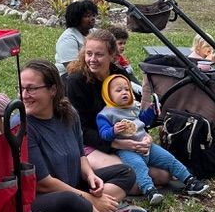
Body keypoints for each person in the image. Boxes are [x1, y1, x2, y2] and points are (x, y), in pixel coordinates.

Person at [22, 60, 149, 212]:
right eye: (21, 88)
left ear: (53, 90)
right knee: (70, 201)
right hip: (45, 200)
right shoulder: (25, 127)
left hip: (75, 186)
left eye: (31, 89)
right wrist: (90, 198)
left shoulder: (68, 113)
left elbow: (80, 152)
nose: (24, 95)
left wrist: (90, 175)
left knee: (126, 172)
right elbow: (43, 184)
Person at [66, 29, 171, 194]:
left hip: (121, 138)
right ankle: (86, 178)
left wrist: (144, 135)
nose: (92, 59)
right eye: (89, 53)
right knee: (135, 182)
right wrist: (118, 143)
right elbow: (80, 130)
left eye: (99, 55)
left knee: (164, 175)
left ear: (112, 55)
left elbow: (131, 113)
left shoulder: (119, 75)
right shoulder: (75, 82)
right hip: (88, 143)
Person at [96, 74, 209, 206]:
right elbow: (103, 134)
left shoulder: (132, 107)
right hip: (128, 151)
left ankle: (190, 181)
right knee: (139, 167)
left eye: (127, 89)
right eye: (118, 90)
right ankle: (150, 190)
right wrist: (114, 130)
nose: (124, 92)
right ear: (108, 94)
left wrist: (151, 110)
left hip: (148, 146)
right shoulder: (105, 114)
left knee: (169, 159)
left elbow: (144, 121)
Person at [54, 0, 98, 79]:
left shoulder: (95, 32)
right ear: (76, 19)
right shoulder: (67, 38)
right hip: (68, 78)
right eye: (87, 16)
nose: (92, 19)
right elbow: (72, 69)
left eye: (93, 15)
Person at [107, 25, 142, 95]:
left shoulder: (118, 56)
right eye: (120, 43)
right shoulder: (108, 58)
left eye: (124, 43)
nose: (123, 46)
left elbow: (125, 64)